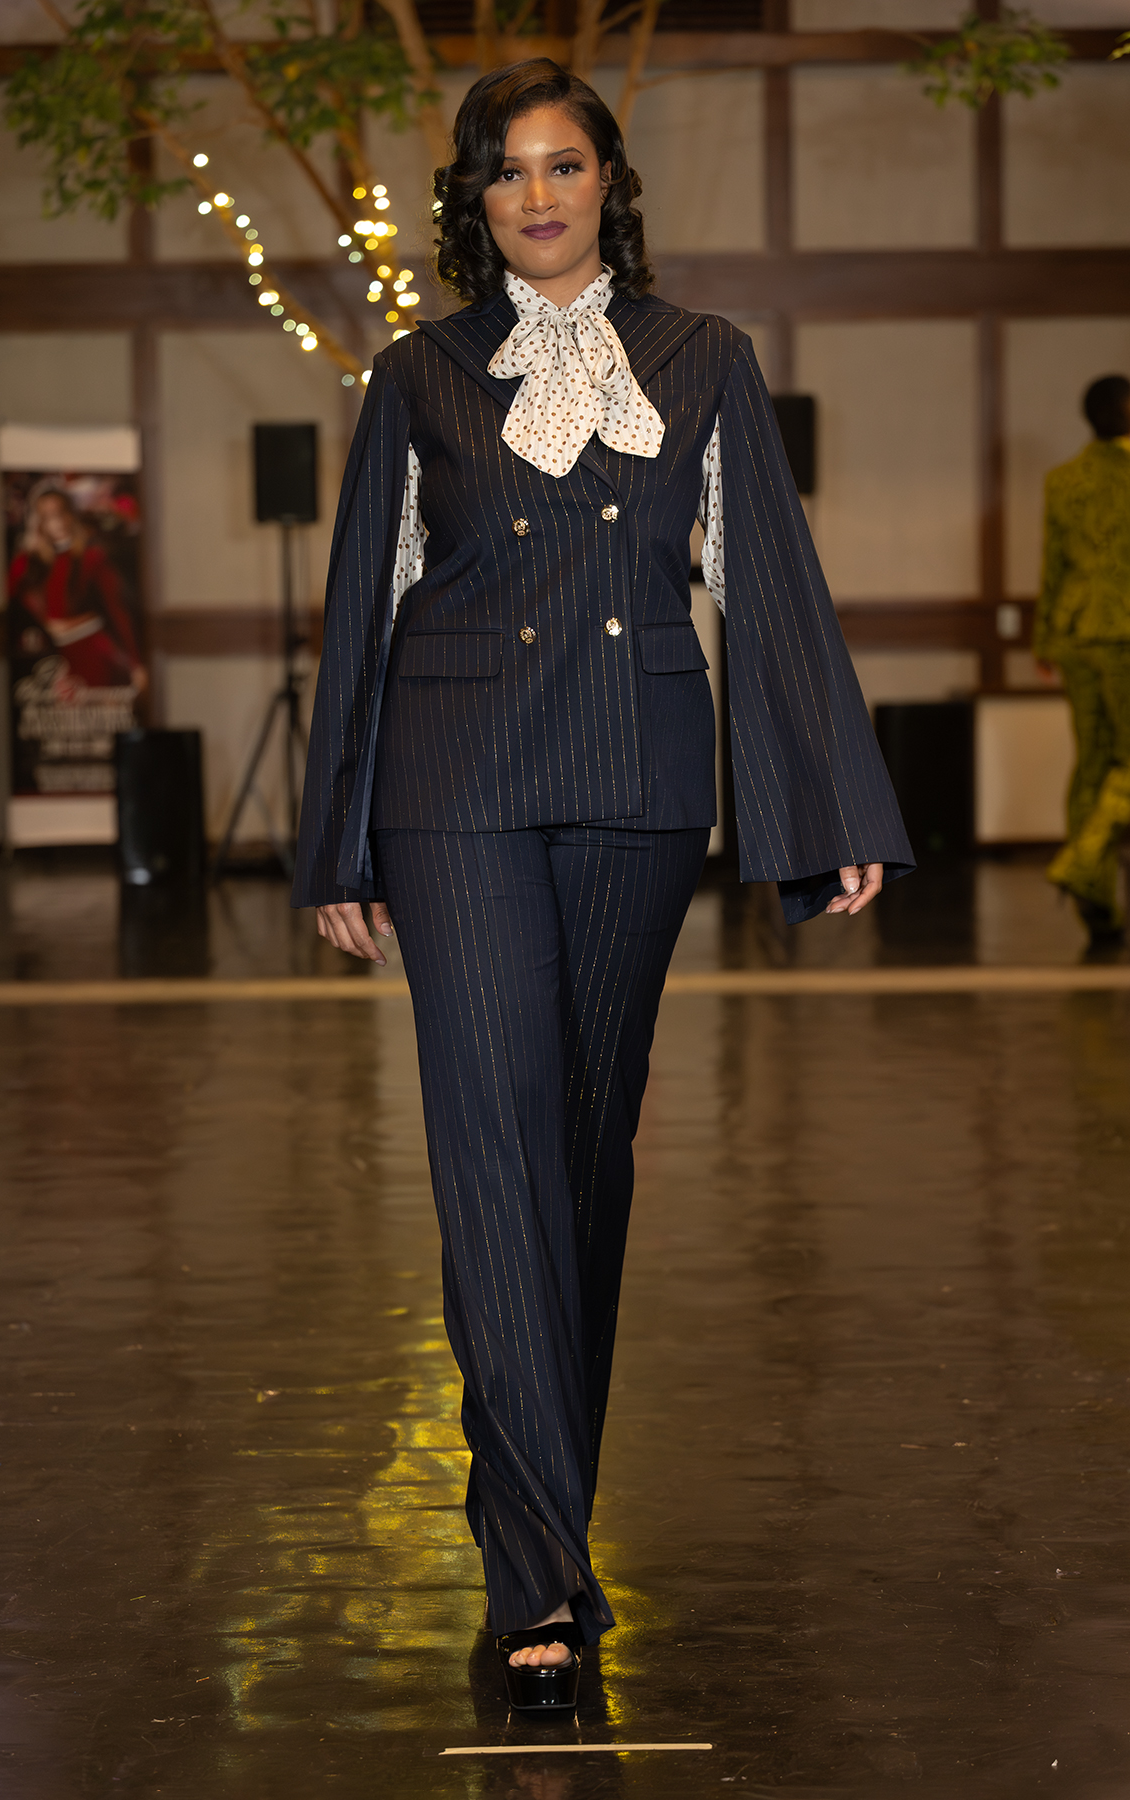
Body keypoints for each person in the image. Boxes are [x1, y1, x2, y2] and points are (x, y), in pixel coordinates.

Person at [292, 59, 913, 1713]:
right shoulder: (419, 375)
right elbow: (364, 602)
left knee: (581, 1157)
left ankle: (549, 1520)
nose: (536, 194)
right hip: (457, 795)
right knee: (494, 1156)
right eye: (504, 171)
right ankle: (539, 1582)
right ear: (474, 201)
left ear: (608, 185)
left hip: (637, 789)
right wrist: (339, 836)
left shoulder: (703, 359)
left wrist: (829, 803)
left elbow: (768, 577)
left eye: (562, 164)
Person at [1034, 374, 1130, 950]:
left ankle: (1097, 909)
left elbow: (1053, 564)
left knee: (1093, 763)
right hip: (1124, 634)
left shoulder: (1064, 478)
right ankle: (1081, 860)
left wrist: (1044, 639)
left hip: (1075, 634)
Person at [7, 486, 147, 695]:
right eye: (47, 516)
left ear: (71, 515)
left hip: (90, 648)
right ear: (38, 522)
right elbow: (9, 597)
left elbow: (118, 610)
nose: (56, 522)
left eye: (60, 513)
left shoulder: (91, 557)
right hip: (50, 654)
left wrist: (136, 663)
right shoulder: (29, 562)